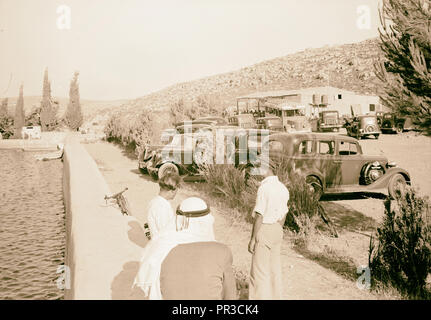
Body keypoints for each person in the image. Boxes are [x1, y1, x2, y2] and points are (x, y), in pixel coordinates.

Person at [134, 197, 237, 300]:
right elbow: (229, 296)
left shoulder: (159, 249)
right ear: (207, 220)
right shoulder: (222, 251)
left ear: (178, 220)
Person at [248, 165, 290, 300]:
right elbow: (284, 213)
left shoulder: (264, 188)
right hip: (277, 229)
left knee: (259, 272)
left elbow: (259, 215)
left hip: (264, 228)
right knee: (274, 270)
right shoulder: (283, 188)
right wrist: (277, 228)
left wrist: (253, 238)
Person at [146, 168, 180, 239]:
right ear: (173, 190)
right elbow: (165, 233)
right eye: (177, 190)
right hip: (162, 246)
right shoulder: (161, 206)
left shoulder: (155, 201)